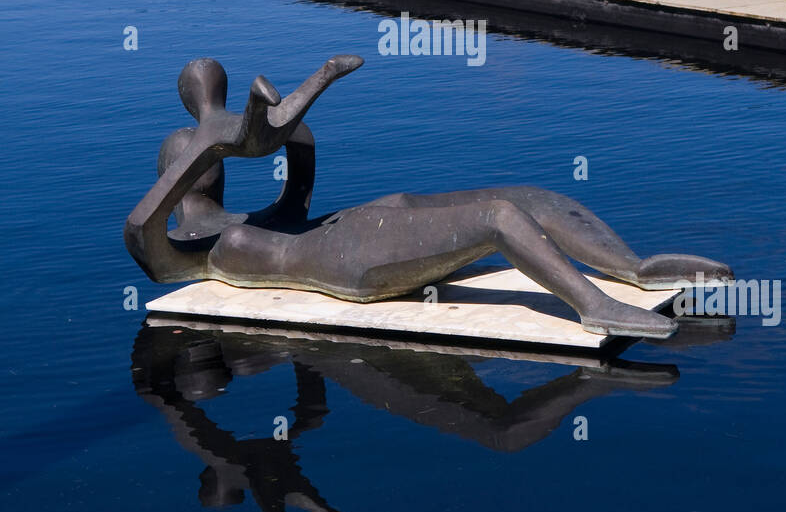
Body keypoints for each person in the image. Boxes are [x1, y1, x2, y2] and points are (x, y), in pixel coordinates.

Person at [125, 55, 733, 341]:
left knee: (524, 195)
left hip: (359, 222)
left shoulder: (259, 219)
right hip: (347, 261)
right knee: (498, 219)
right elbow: (140, 236)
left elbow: (301, 171)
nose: (206, 168)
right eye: (190, 162)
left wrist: (285, 122)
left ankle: (632, 266)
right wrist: (205, 139)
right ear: (177, 172)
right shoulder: (195, 251)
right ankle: (592, 305)